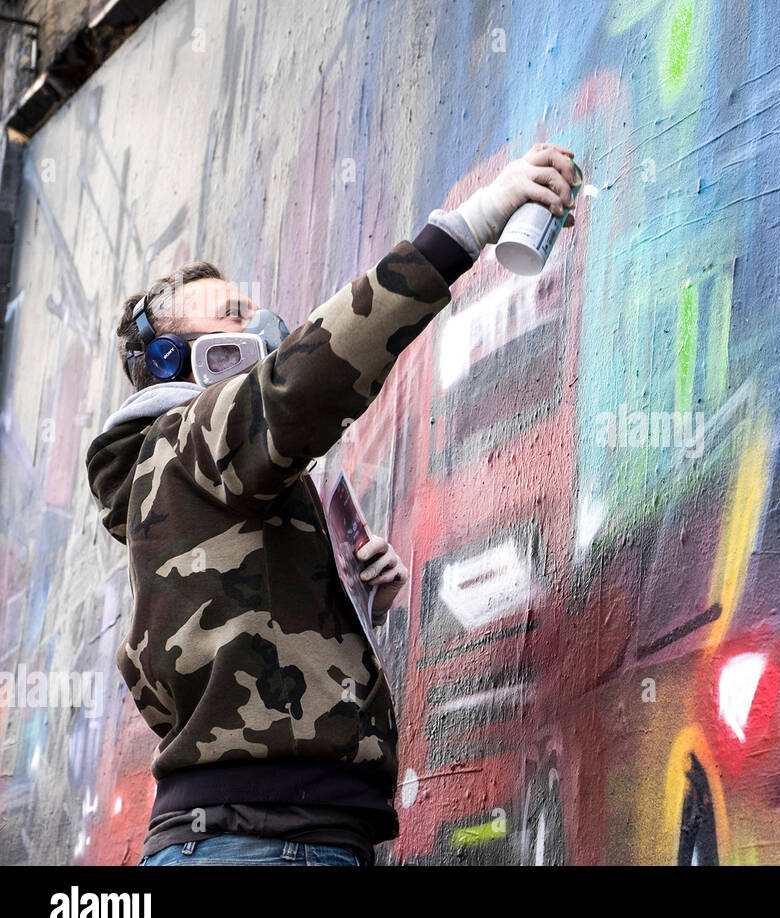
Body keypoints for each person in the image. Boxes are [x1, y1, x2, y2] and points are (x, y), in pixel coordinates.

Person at [85, 143, 581, 866]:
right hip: (259, 842)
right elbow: (305, 381)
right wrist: (469, 226)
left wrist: (354, 601)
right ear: (179, 360)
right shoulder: (183, 438)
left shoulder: (193, 474)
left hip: (260, 838)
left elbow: (238, 643)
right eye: (232, 315)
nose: (263, 326)